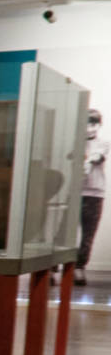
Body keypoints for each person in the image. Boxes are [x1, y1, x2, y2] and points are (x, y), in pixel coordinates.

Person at [83, 109, 105, 285]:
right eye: (87, 123)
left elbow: (98, 157)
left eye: (93, 124)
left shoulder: (103, 143)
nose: (89, 128)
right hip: (73, 193)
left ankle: (79, 267)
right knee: (63, 233)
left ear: (98, 125)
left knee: (88, 233)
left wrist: (89, 160)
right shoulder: (74, 143)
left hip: (94, 194)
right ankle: (54, 269)